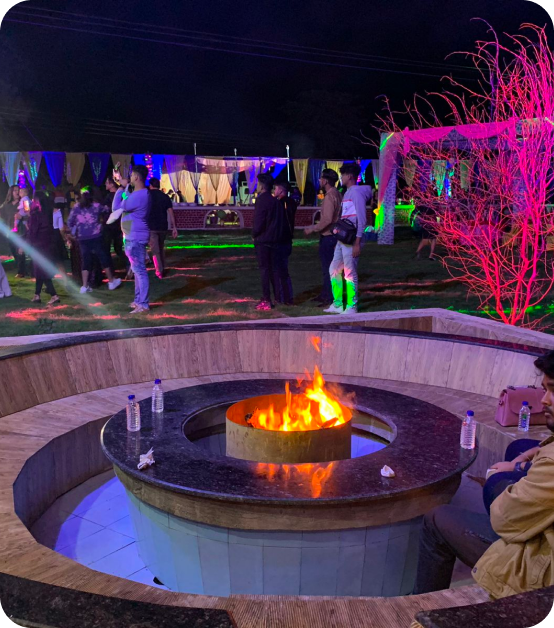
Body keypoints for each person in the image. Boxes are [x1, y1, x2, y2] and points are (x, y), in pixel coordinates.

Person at [413, 349, 554, 598]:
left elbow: (504, 520)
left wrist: (504, 483)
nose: (544, 400)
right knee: (518, 450)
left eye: (553, 390)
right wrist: (525, 465)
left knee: (439, 517)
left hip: (539, 563)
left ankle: (421, 605)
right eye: (545, 389)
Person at [324, 163, 371, 314]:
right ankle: (338, 304)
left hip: (351, 239)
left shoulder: (355, 193)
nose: (341, 178)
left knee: (349, 272)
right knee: (334, 269)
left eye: (343, 175)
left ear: (349, 176)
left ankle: (352, 306)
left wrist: (357, 242)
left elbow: (362, 219)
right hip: (343, 238)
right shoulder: (348, 192)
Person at [109, 164, 151, 313]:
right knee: (137, 270)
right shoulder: (139, 194)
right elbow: (126, 194)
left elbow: (116, 207)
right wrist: (122, 182)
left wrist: (121, 188)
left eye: (132, 175)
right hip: (134, 236)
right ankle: (138, 300)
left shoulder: (138, 196)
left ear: (137, 177)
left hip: (135, 238)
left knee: (140, 271)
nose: (130, 177)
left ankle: (143, 304)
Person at [67, 190, 122, 294]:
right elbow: (108, 210)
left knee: (86, 260)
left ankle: (84, 286)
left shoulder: (76, 207)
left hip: (82, 237)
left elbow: (70, 221)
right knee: (103, 258)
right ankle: (111, 281)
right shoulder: (96, 206)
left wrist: (75, 230)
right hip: (96, 236)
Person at [304, 168, 342, 307]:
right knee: (331, 268)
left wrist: (312, 228)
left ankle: (329, 296)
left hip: (328, 236)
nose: (319, 180)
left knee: (328, 268)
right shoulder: (338, 194)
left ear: (325, 181)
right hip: (335, 235)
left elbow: (327, 219)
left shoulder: (330, 196)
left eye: (321, 178)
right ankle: (326, 294)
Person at [252, 173, 286, 311]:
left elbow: (259, 222)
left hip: (263, 240)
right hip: (275, 240)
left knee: (265, 270)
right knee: (274, 270)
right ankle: (278, 297)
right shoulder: (276, 202)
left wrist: (254, 234)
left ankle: (266, 299)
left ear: (262, 185)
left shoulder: (261, 201)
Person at [27, 191, 60, 305]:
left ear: (37, 201)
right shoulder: (48, 213)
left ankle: (54, 295)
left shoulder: (36, 215)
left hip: (39, 246)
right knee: (39, 271)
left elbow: (33, 232)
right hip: (48, 245)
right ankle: (37, 295)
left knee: (41, 271)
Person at [148, 177, 178, 279]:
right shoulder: (165, 197)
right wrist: (174, 227)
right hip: (163, 226)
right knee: (160, 247)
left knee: (155, 250)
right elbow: (171, 212)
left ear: (151, 185)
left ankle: (159, 271)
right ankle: (162, 267)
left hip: (151, 226)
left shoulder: (148, 195)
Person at [273, 180, 297, 305]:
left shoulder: (282, 203)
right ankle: (284, 296)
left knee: (281, 270)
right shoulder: (290, 202)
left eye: (276, 188)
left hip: (281, 240)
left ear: (281, 190)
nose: (274, 191)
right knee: (281, 269)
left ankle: (285, 297)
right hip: (286, 240)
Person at [103, 177, 125, 264]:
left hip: (110, 226)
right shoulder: (122, 194)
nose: (105, 184)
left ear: (112, 184)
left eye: (107, 182)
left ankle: (110, 267)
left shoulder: (109, 197)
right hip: (120, 224)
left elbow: (106, 211)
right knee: (118, 248)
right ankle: (126, 264)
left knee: (107, 248)